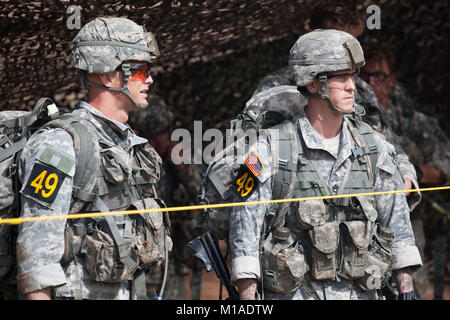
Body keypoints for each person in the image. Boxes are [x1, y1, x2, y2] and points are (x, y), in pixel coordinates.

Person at [228, 29, 422, 300]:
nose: (351, 86)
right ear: (312, 84)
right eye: (340, 77)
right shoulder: (268, 150)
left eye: (352, 76)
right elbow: (245, 232)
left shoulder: (376, 151)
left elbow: (398, 228)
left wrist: (406, 289)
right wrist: (247, 296)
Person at [15, 17, 172, 300]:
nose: (150, 78)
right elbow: (37, 254)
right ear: (107, 75)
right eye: (140, 70)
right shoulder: (61, 143)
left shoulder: (129, 144)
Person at [250, 2, 421, 210]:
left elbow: (391, 146)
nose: (344, 57)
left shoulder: (363, 91)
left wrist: (405, 178)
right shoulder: (276, 89)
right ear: (311, 36)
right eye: (335, 44)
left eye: (350, 44)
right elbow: (252, 159)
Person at [360, 42, 450, 299]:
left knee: (411, 290)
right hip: (362, 225)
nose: (370, 82)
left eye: (378, 75)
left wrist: (414, 175)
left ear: (392, 80)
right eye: (365, 75)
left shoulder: (414, 121)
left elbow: (446, 165)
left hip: (410, 224)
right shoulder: (352, 119)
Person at [128, 95, 204, 300]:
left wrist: (182, 168)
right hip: (141, 263)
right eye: (154, 136)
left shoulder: (176, 159)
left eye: (165, 133)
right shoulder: (130, 163)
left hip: (174, 259)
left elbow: (201, 196)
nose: (161, 141)